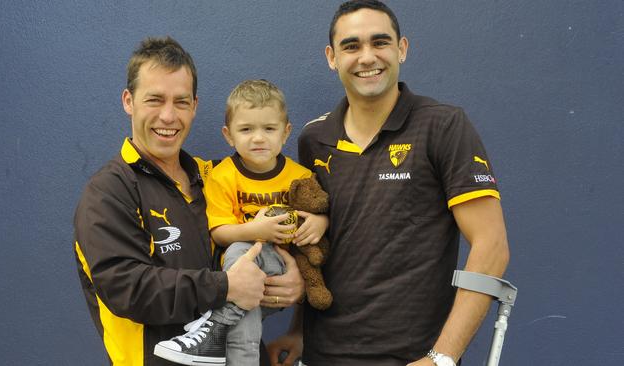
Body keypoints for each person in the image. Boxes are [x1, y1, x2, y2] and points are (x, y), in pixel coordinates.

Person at [267, 1, 510, 366]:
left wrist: (442, 358)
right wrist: (299, 331)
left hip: (412, 358)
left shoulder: (443, 127)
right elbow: (317, 247)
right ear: (332, 57)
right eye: (351, 46)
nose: (367, 57)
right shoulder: (314, 139)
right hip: (323, 356)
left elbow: (492, 248)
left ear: (402, 49)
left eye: (379, 42)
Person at [73, 37, 304, 366]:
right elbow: (127, 288)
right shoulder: (109, 191)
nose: (168, 116)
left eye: (180, 102)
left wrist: (290, 286)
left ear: (194, 106)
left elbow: (251, 267)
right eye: (155, 99)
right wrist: (223, 286)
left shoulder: (213, 178)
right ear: (129, 101)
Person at [154, 79, 329, 366]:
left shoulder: (301, 175)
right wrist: (255, 231)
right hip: (240, 273)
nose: (258, 138)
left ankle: (216, 326)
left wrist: (320, 222)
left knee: (241, 262)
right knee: (238, 254)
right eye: (246, 129)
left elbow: (317, 206)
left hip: (283, 269)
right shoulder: (222, 176)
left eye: (269, 129)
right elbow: (220, 232)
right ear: (229, 135)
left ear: (285, 132)